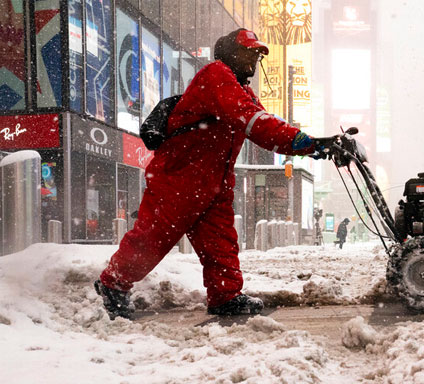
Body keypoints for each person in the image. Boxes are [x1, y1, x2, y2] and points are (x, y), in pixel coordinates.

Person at [94, 28, 327, 320]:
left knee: (221, 241)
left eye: (256, 53)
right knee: (153, 238)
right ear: (229, 52)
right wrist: (302, 142)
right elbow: (256, 122)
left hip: (213, 181)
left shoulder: (243, 90)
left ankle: (225, 296)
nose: (254, 58)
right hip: (179, 178)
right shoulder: (216, 75)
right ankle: (112, 284)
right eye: (248, 51)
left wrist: (313, 144)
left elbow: (266, 127)